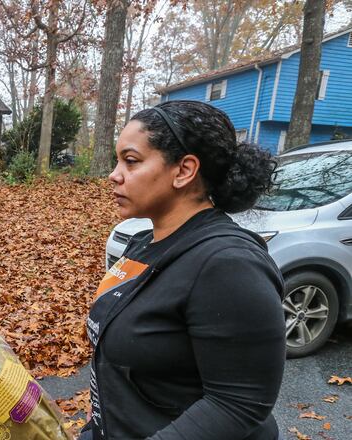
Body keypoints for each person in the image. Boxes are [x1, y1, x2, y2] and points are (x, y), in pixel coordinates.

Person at [81, 100, 286, 440]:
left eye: (130, 161)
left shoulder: (228, 264)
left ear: (184, 170)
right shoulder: (143, 245)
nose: (114, 175)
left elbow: (237, 404)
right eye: (117, 161)